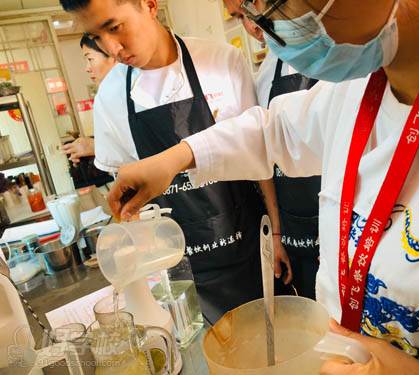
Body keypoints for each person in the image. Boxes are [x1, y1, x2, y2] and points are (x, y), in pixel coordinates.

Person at [108, 0, 419, 373]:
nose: (268, 31)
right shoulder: (359, 88)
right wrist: (177, 157)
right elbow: (274, 129)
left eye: (267, 6)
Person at [59, 0, 271, 324]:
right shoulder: (110, 98)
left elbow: (259, 153)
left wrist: (280, 235)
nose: (112, 48)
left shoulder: (221, 61)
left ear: (149, 4)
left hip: (251, 253)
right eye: (96, 36)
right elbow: (128, 203)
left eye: (115, 27)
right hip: (183, 276)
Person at [226, 0, 321, 299]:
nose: (252, 25)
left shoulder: (337, 54)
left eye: (251, 6)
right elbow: (265, 156)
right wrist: (277, 237)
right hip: (296, 226)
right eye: (239, 16)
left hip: (344, 223)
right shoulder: (265, 74)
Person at [62, 35, 117, 165]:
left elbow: (140, 143)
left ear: (113, 56)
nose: (87, 68)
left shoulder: (133, 93)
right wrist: (91, 146)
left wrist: (95, 147)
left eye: (90, 59)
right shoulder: (106, 94)